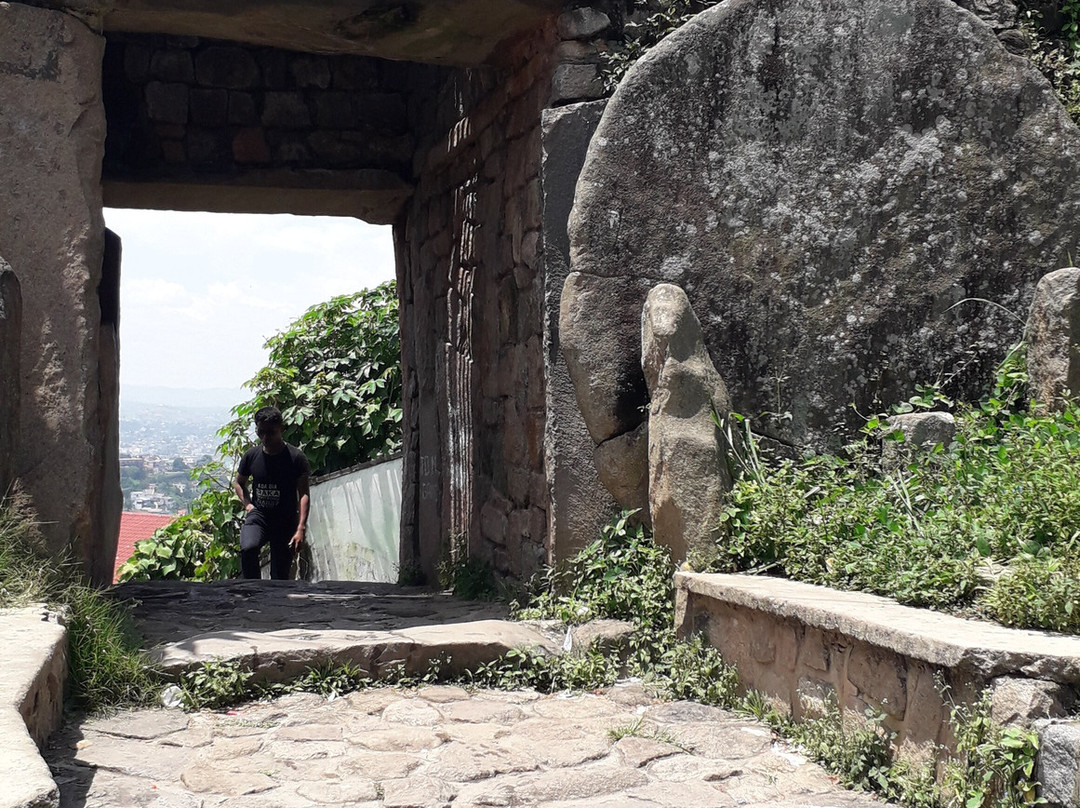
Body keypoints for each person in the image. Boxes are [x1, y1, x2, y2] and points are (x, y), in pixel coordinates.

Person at [233, 406, 311, 580]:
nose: (265, 438)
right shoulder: (251, 456)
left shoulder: (296, 457)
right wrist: (248, 505)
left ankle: (276, 604)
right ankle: (253, 593)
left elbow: (304, 493)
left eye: (271, 432)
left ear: (281, 429)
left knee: (280, 574)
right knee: (248, 548)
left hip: (285, 519)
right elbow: (239, 482)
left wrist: (301, 527)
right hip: (259, 515)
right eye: (261, 432)